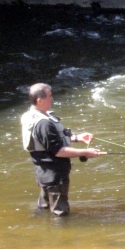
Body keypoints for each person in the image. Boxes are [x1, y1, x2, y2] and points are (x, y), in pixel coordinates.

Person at [20, 83, 103, 216]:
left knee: (44, 208)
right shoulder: (44, 123)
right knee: (60, 213)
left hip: (43, 173)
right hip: (54, 175)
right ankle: (60, 235)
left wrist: (77, 138)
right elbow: (58, 151)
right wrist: (85, 152)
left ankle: (40, 231)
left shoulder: (30, 116)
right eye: (49, 96)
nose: (52, 98)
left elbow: (48, 141)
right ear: (39, 100)